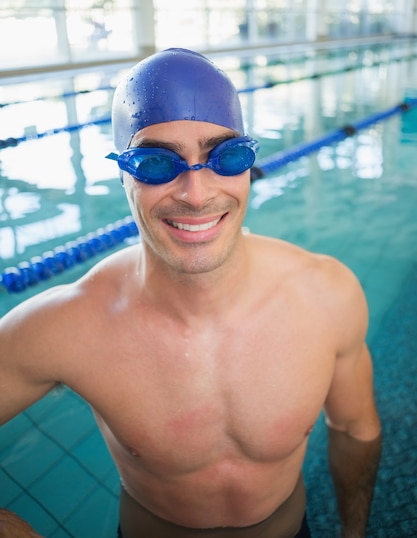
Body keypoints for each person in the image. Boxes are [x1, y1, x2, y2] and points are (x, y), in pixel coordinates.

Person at [0, 48, 381, 538]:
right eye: (156, 163)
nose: (196, 194)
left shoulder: (327, 295)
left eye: (227, 156)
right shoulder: (65, 325)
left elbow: (355, 431)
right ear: (123, 174)